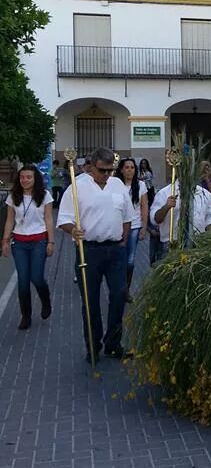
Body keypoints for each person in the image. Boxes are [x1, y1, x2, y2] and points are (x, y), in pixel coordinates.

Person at [57, 147, 133, 363]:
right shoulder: (77, 186)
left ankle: (113, 343)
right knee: (90, 301)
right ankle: (93, 345)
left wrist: (123, 240)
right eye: (102, 170)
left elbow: (127, 216)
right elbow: (63, 219)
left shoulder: (117, 184)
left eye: (110, 170)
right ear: (91, 166)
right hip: (88, 250)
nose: (107, 175)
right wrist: (73, 229)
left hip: (116, 250)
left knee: (119, 295)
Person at [1, 165, 54, 330]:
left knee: (36, 278)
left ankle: (45, 300)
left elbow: (49, 219)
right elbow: (9, 220)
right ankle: (26, 315)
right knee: (23, 281)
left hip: (39, 241)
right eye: (22, 177)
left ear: (35, 178)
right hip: (20, 243)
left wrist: (51, 242)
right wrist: (4, 241)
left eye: (28, 177)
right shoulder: (13, 196)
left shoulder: (45, 196)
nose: (25, 180)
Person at [150, 176, 211, 258]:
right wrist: (166, 207)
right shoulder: (164, 193)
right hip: (172, 244)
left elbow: (210, 218)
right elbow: (155, 219)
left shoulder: (205, 194)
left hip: (198, 244)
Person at [109, 158, 148, 303]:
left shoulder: (141, 185)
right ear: (121, 170)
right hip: (117, 226)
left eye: (132, 167)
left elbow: (144, 206)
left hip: (134, 226)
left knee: (130, 261)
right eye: (127, 167)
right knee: (119, 259)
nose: (130, 170)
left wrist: (144, 227)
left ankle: (126, 290)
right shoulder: (114, 185)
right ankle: (117, 289)